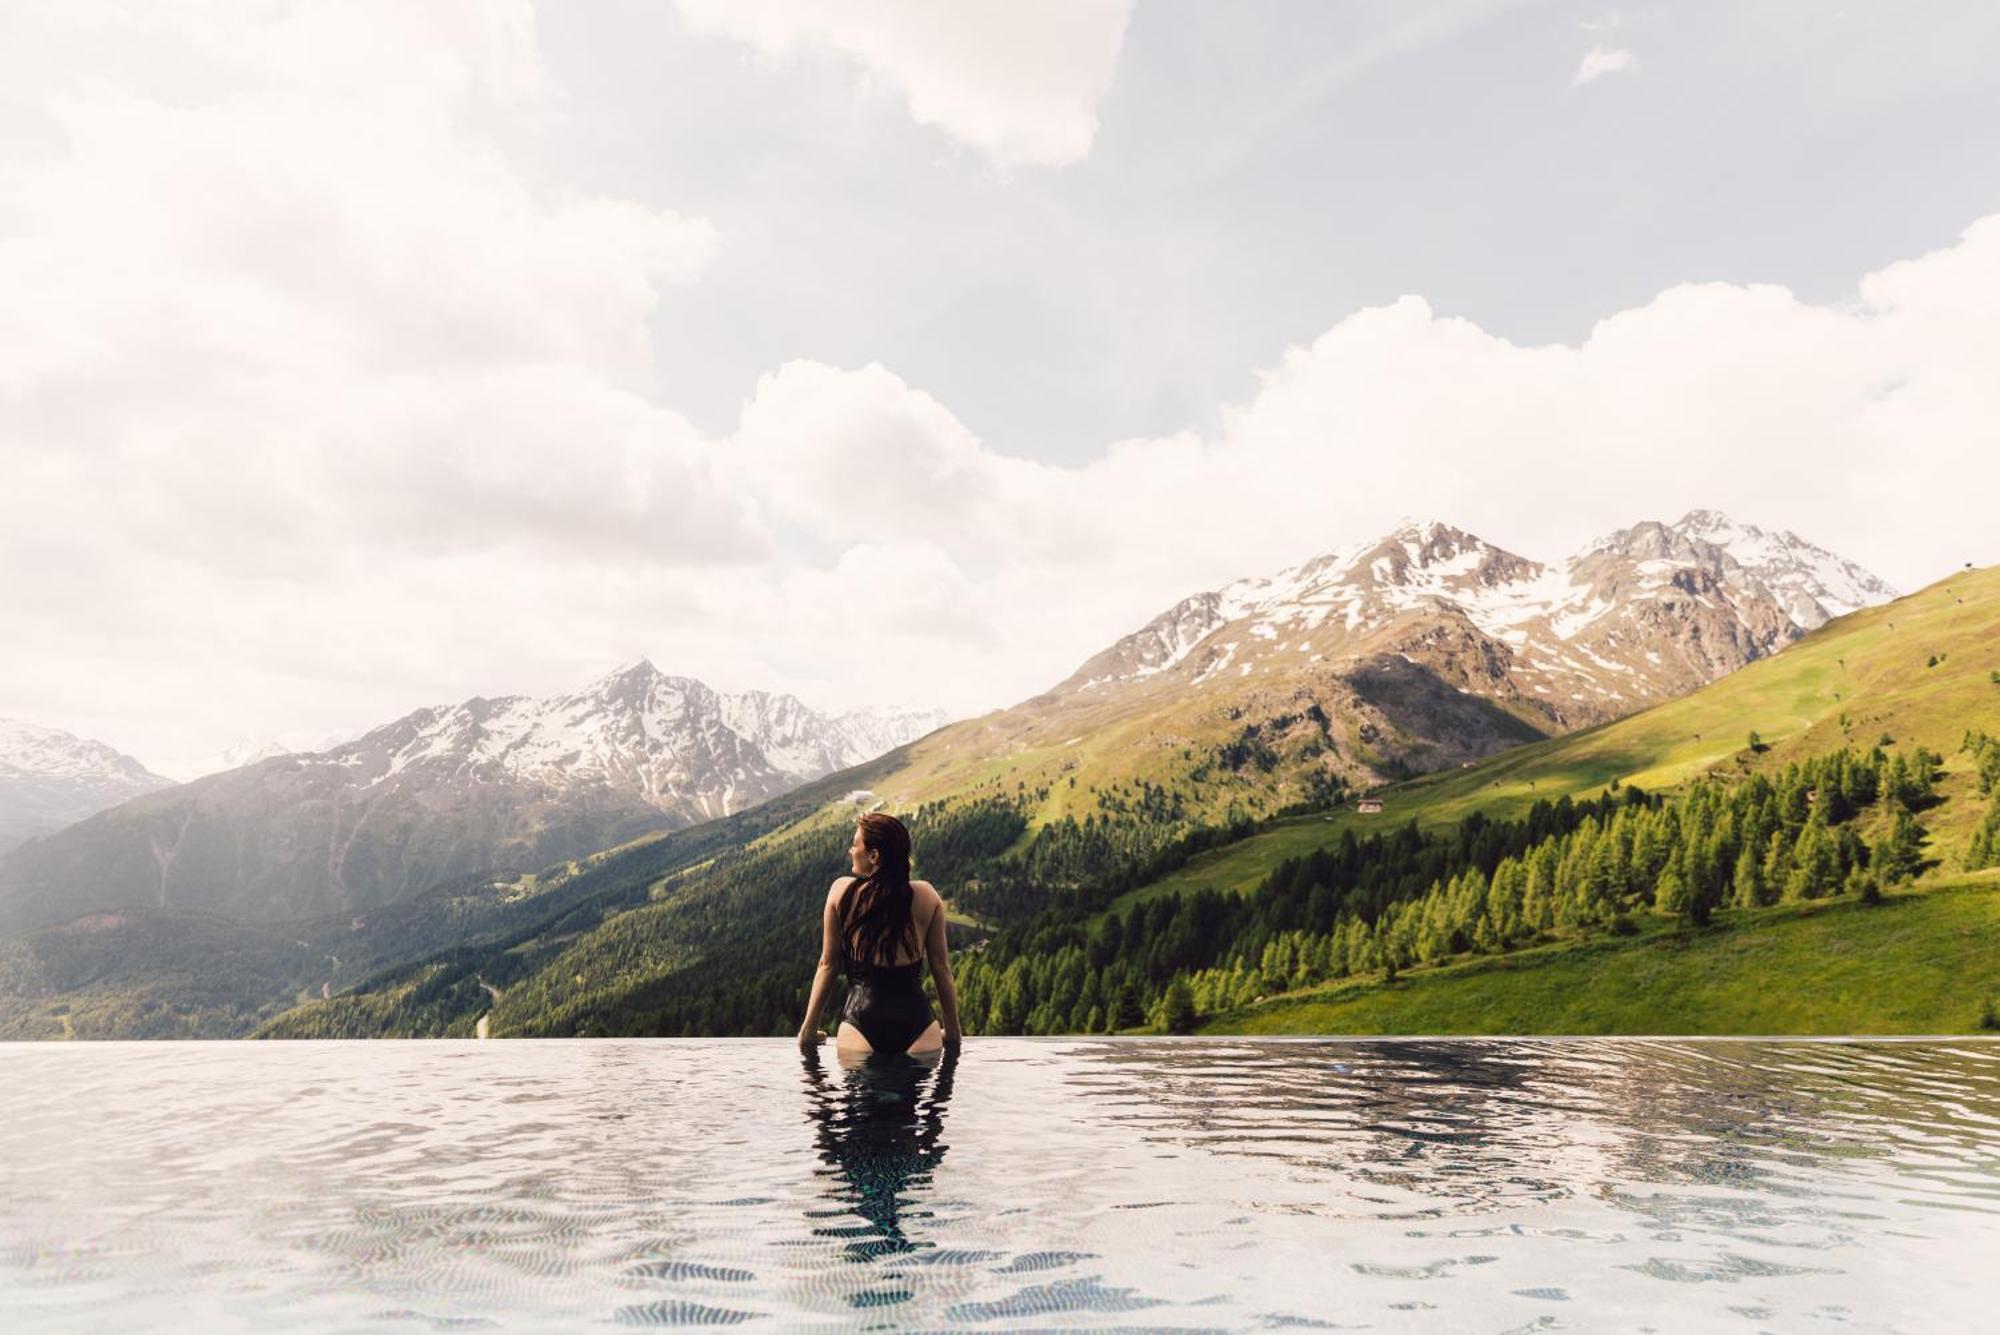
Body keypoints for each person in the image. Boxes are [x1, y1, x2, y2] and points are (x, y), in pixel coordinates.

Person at [796, 811, 962, 1059]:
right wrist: (953, 1031)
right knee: (913, 1096)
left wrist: (808, 1030)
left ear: (873, 856)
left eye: (855, 844)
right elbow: (941, 967)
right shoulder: (926, 896)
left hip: (860, 1027)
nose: (851, 851)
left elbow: (828, 964)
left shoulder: (841, 892)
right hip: (919, 1027)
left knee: (862, 1095)